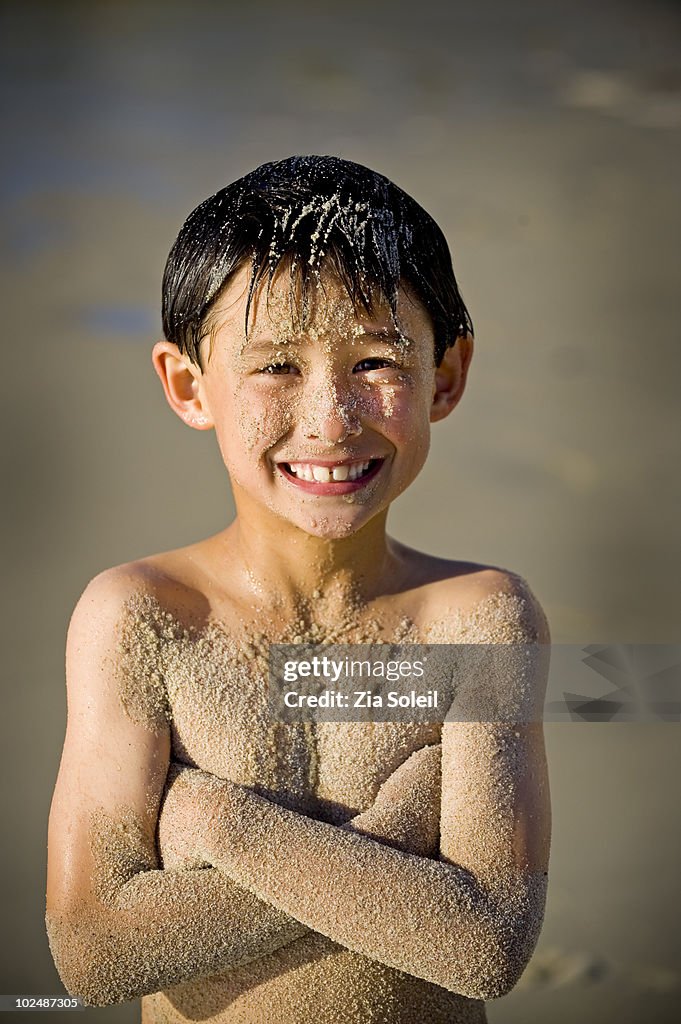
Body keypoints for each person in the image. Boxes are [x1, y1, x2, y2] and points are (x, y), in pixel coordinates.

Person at [45, 155, 551, 1024]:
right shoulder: (143, 618)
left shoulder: (480, 620)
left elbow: (485, 943)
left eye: (375, 362)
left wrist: (216, 824)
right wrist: (392, 839)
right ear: (188, 386)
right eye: (277, 366)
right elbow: (96, 952)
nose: (330, 419)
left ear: (444, 376)